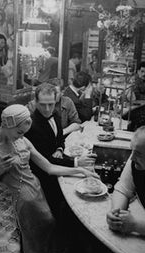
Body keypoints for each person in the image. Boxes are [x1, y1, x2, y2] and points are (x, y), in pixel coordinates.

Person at [0, 104, 97, 253]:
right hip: (22, 203)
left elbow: (49, 167)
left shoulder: (22, 139)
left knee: (49, 237)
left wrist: (80, 171)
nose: (21, 137)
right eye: (19, 132)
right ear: (7, 125)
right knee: (35, 248)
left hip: (38, 193)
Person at [25, 83, 96, 218]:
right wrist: (76, 162)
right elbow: (45, 160)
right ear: (35, 102)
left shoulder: (56, 114)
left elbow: (59, 139)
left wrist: (59, 148)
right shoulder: (31, 125)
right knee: (54, 210)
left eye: (51, 104)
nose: (47, 109)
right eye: (42, 104)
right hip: (42, 175)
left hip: (57, 164)